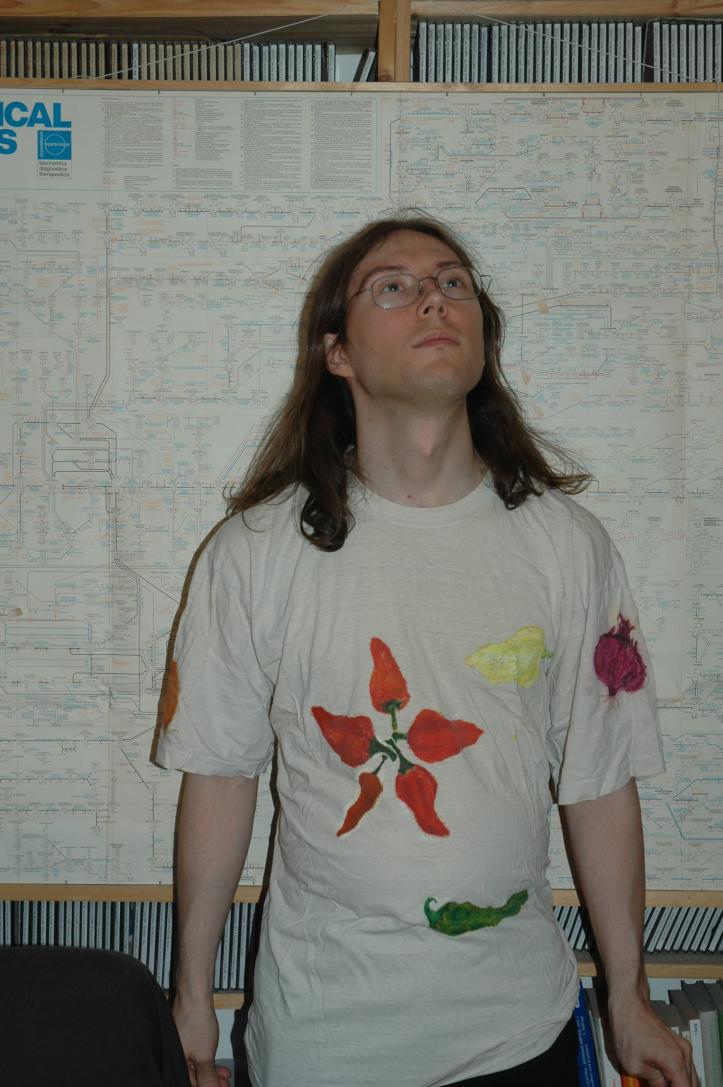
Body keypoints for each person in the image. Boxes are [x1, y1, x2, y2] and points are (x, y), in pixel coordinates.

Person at [154, 215, 697, 1087]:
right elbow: (220, 773)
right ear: (337, 352)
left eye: (452, 283)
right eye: (393, 287)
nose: (433, 300)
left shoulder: (568, 544)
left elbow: (598, 780)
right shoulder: (253, 552)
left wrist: (628, 996)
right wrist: (191, 996)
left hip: (520, 1035)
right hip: (319, 1043)